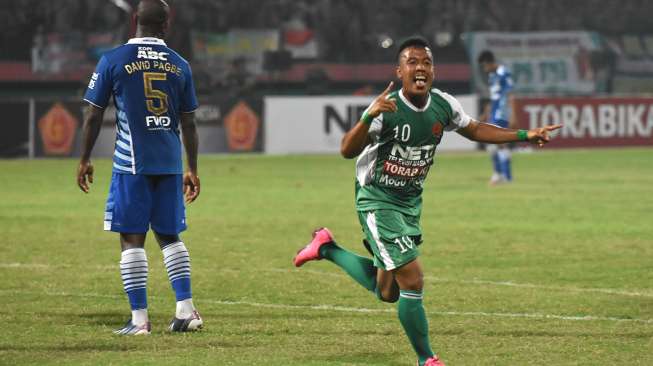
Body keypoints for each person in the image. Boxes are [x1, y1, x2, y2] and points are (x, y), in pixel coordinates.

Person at [293, 36, 560, 366]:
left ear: (433, 71)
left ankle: (325, 247)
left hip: (409, 204)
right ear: (400, 71)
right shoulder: (386, 108)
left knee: (388, 292)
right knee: (413, 279)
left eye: (426, 63)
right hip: (377, 201)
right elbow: (347, 150)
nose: (420, 68)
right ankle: (427, 359)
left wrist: (525, 135)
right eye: (412, 62)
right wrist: (366, 117)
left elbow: (475, 129)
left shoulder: (443, 105)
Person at [77, 0, 203, 335]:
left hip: (131, 164)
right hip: (170, 164)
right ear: (167, 23)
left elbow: (93, 113)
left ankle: (139, 320)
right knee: (169, 235)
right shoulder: (180, 65)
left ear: (135, 20)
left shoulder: (113, 60)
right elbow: (189, 123)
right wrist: (192, 167)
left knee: (132, 239)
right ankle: (186, 311)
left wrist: (85, 158)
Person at [477, 50, 516, 184]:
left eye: (484, 66)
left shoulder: (503, 73)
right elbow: (493, 98)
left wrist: (513, 115)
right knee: (494, 145)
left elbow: (510, 94)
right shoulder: (492, 77)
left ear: (489, 62)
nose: (484, 69)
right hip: (494, 112)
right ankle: (501, 175)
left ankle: (504, 176)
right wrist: (485, 114)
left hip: (502, 111)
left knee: (498, 143)